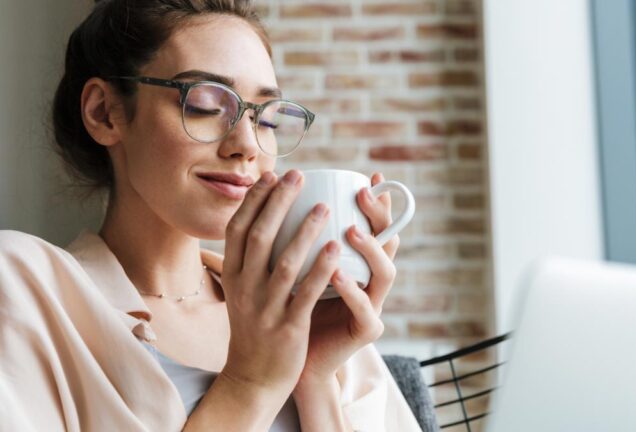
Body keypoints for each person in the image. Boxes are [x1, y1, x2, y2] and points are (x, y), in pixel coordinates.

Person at [0, 0, 422, 430]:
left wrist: (314, 375)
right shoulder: (24, 289)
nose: (248, 145)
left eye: (266, 119)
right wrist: (251, 382)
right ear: (104, 112)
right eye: (202, 104)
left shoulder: (307, 314)